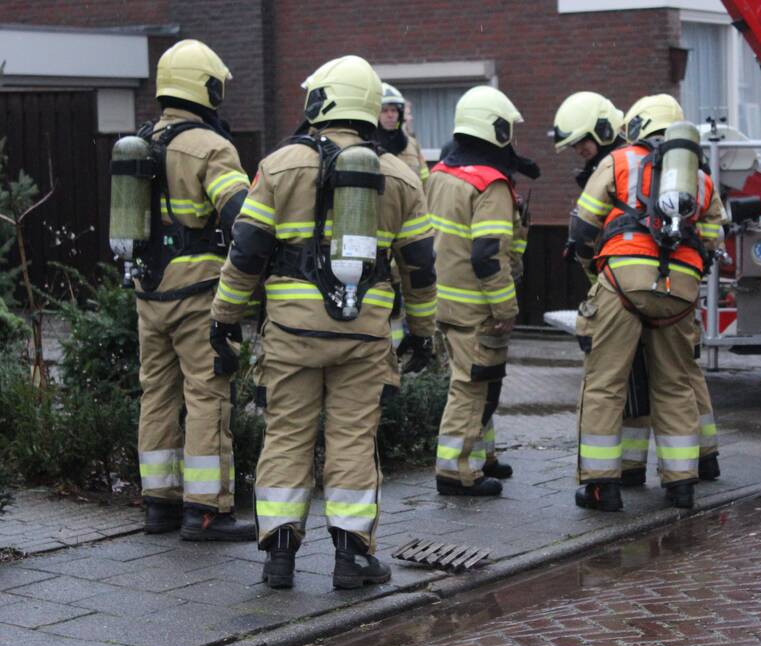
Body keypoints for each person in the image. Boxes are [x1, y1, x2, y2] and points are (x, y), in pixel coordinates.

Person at [210, 55, 437, 589]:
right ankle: (352, 559)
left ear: (319, 103)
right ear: (369, 108)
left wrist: (224, 317)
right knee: (353, 440)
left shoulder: (280, 164)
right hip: (364, 332)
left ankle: (280, 558)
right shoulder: (401, 176)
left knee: (287, 437)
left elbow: (246, 253)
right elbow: (421, 268)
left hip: (291, 334)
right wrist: (422, 332)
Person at [553, 91, 722, 487]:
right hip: (679, 292)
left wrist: (598, 275)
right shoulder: (700, 177)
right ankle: (681, 482)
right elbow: (713, 238)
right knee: (676, 384)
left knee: (605, 384)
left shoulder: (619, 160)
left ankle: (601, 486)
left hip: (623, 285)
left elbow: (582, 228)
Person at [122, 39, 255, 542]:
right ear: (208, 88)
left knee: (155, 394)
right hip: (198, 293)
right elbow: (244, 218)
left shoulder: (139, 142)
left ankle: (159, 505)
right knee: (207, 395)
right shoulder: (212, 147)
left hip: (147, 294)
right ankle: (206, 510)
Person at [427, 85, 539, 496]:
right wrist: (506, 307)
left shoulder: (440, 174)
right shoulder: (490, 184)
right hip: (478, 306)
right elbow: (488, 256)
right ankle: (455, 471)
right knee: (472, 386)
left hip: (444, 299)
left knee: (481, 380)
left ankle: (482, 457)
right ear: (496, 130)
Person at [377, 82, 429, 183]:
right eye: (384, 111)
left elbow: (425, 180)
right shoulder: (368, 144)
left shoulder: (412, 144)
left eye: (394, 110)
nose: (390, 115)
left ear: (399, 114)